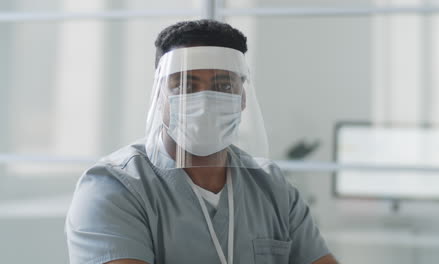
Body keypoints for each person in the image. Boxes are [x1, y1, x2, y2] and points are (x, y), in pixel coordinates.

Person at [65, 19, 338, 264]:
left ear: (243, 97)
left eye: (224, 85)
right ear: (159, 96)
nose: (206, 101)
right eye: (185, 85)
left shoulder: (273, 187)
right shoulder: (113, 189)